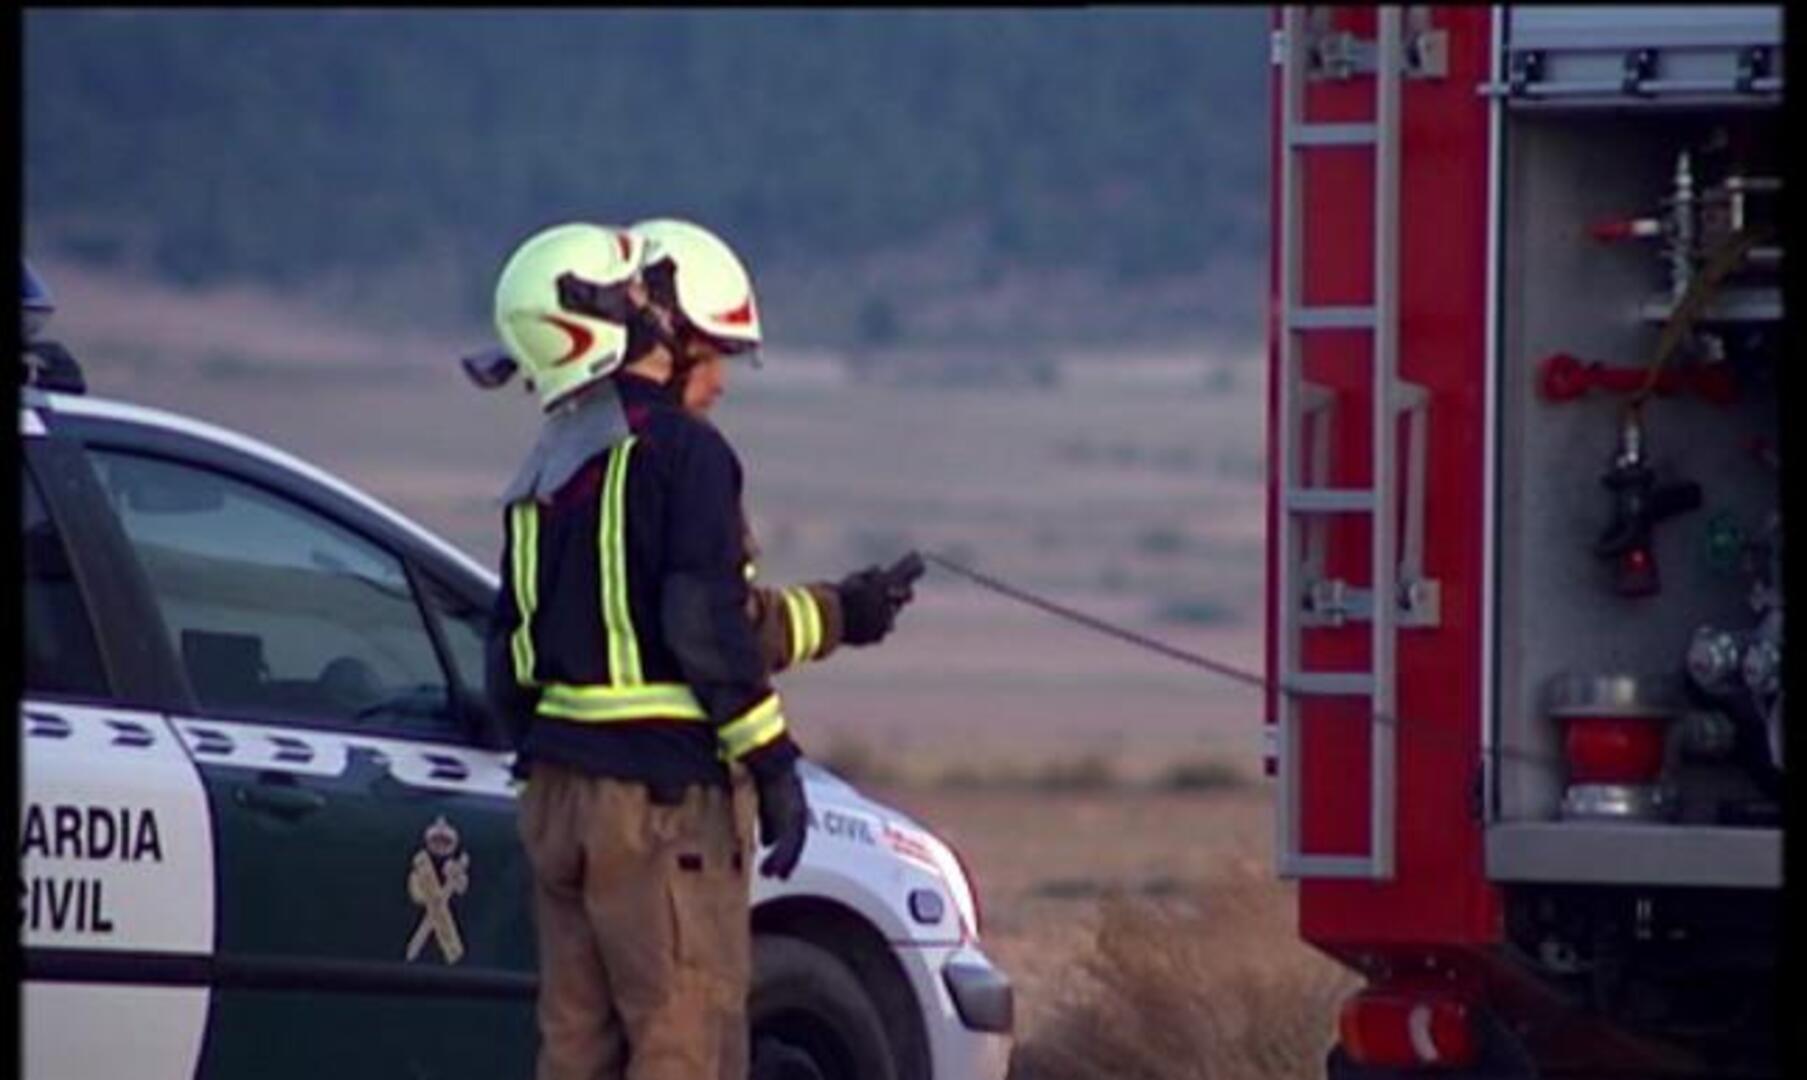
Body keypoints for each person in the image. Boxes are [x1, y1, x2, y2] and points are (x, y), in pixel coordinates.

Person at [482, 219, 909, 1080]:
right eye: (712, 352)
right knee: (686, 1044)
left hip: (560, 803)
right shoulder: (687, 455)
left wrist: (842, 613)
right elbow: (704, 627)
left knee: (575, 1052)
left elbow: (525, 658)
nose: (718, 381)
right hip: (662, 810)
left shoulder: (551, 457)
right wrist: (775, 764)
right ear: (661, 340)